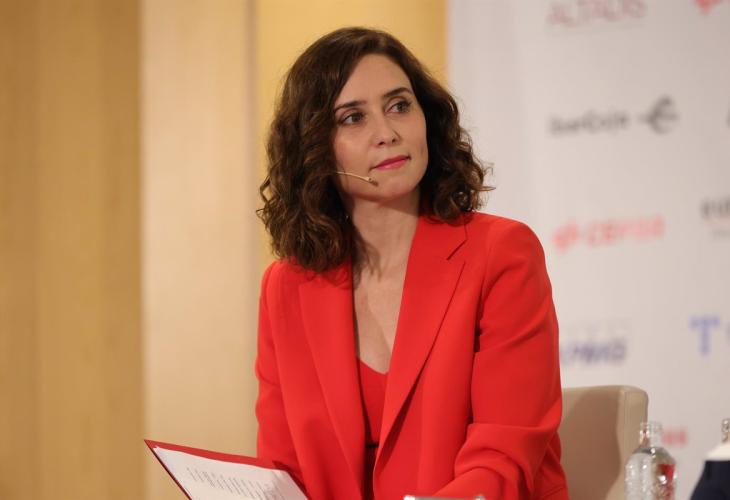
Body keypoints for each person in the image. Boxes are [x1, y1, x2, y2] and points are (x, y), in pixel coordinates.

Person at [255, 27, 568, 500]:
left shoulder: (502, 254)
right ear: (314, 147)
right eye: (353, 118)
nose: (387, 134)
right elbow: (283, 470)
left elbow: (501, 462)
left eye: (400, 106)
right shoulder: (287, 287)